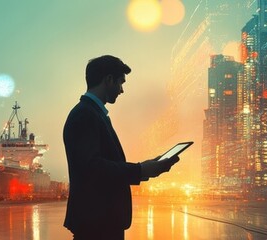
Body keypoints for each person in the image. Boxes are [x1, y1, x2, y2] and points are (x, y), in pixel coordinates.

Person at [63, 55, 180, 239]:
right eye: (120, 82)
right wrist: (141, 170)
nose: (122, 90)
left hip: (100, 222)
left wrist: (145, 168)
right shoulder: (85, 115)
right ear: (108, 79)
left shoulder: (91, 113)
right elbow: (93, 168)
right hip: (97, 225)